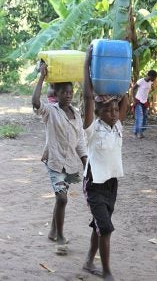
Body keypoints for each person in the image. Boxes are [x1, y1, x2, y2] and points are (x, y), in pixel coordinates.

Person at [82, 45, 128, 281]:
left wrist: (126, 66)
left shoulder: (118, 126)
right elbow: (88, 97)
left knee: (100, 225)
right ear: (98, 112)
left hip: (111, 183)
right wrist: (88, 62)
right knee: (106, 228)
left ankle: (89, 262)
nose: (114, 112)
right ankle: (107, 271)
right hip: (94, 184)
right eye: (108, 110)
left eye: (115, 109)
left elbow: (125, 95)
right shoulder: (91, 129)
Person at [32, 63, 87, 248]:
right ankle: (61, 236)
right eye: (64, 92)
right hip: (54, 161)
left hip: (70, 163)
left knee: (60, 198)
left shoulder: (76, 114)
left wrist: (85, 160)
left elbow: (80, 140)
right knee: (62, 198)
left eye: (70, 92)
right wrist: (42, 76)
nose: (68, 95)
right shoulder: (51, 111)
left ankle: (53, 230)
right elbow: (36, 103)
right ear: (56, 94)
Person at [132, 70, 157, 138]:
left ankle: (139, 131)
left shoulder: (150, 83)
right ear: (150, 76)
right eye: (154, 77)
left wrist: (148, 101)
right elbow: (133, 89)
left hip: (145, 102)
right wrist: (134, 99)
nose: (154, 79)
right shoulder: (141, 81)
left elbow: (146, 93)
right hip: (138, 101)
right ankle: (138, 133)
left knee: (145, 118)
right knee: (139, 117)